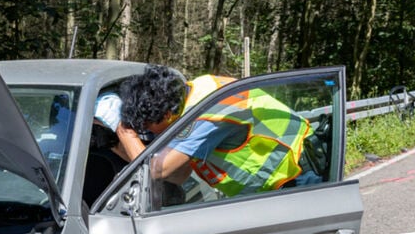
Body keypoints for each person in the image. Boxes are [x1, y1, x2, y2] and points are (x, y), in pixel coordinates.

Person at [112, 65, 320, 198]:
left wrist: (125, 133)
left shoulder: (204, 118)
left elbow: (158, 170)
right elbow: (180, 175)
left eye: (147, 127)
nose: (145, 133)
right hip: (290, 172)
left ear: (166, 115)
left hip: (296, 178)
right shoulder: (200, 87)